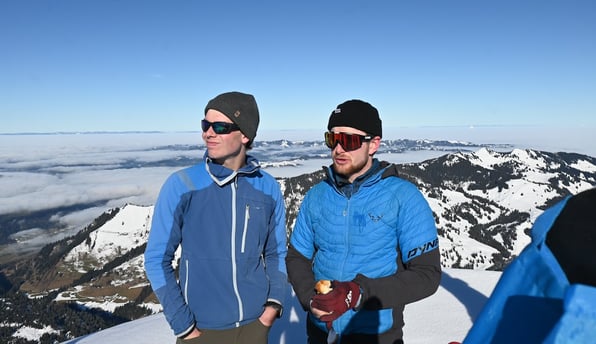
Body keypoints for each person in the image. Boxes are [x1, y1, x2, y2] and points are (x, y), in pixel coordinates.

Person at [286, 99, 441, 344]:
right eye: (332, 139)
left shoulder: (403, 197)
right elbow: (297, 257)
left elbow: (426, 274)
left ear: (373, 145)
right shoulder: (316, 196)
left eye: (349, 140)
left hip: (376, 336)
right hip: (320, 334)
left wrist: (358, 293)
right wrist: (310, 297)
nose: (338, 148)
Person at [144, 91, 288, 344]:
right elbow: (156, 259)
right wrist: (185, 328)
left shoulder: (267, 187)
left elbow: (276, 253)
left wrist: (272, 309)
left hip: (255, 327)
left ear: (245, 135)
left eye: (220, 127)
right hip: (201, 331)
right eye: (205, 125)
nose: (207, 133)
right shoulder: (182, 185)